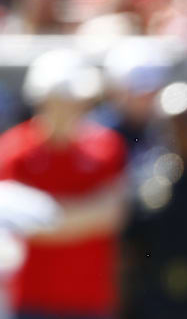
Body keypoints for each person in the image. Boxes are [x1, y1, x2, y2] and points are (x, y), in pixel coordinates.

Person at [0, 49, 127, 319]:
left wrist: (40, 217)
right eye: (68, 99)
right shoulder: (13, 149)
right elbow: (9, 224)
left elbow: (112, 214)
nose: (78, 107)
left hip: (90, 301)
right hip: (31, 302)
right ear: (45, 100)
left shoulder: (106, 146)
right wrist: (81, 215)